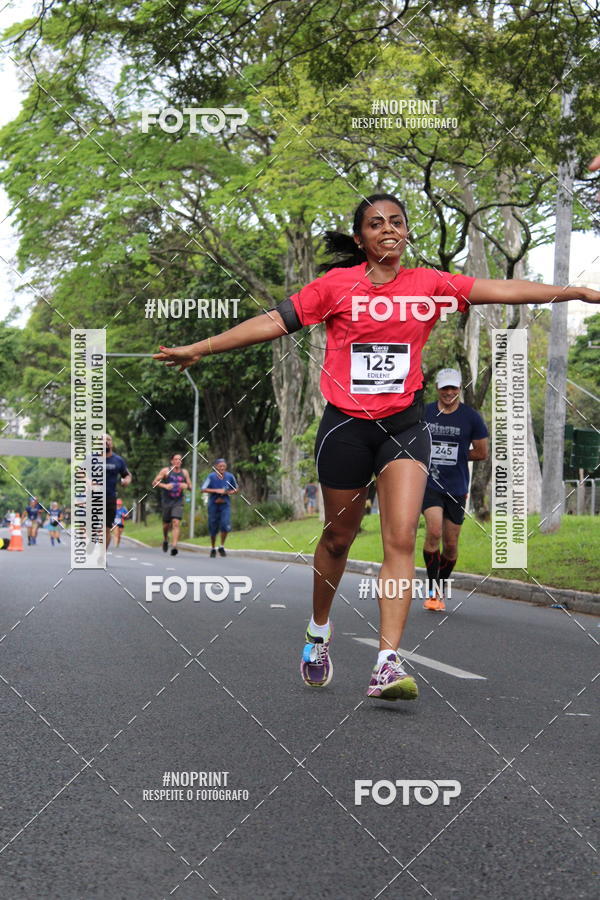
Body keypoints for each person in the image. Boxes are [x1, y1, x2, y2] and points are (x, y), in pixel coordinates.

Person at [154, 193, 600, 702]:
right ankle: (318, 632)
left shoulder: (430, 285)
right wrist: (199, 347)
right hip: (345, 427)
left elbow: (500, 288)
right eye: (375, 224)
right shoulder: (335, 286)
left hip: (405, 426)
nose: (388, 229)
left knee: (401, 539)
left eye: (396, 222)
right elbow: (273, 323)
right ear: (361, 238)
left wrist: (575, 293)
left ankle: (387, 661)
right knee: (339, 539)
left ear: (406, 232)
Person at [422, 368, 488, 612]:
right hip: (430, 484)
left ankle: (440, 586)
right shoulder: (425, 412)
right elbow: (410, 439)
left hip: (457, 487)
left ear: (460, 389)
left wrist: (460, 455)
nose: (449, 392)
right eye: (444, 388)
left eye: (453, 388)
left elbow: (481, 452)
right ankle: (432, 590)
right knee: (434, 531)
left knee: (450, 544)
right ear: (437, 389)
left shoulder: (471, 417)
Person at [152, 453, 192, 556]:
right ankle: (166, 539)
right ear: (172, 461)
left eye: (180, 460)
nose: (178, 461)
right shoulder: (166, 471)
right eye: (176, 459)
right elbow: (154, 482)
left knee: (176, 522)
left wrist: (186, 486)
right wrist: (165, 486)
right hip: (167, 501)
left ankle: (174, 546)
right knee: (166, 525)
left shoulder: (184, 472)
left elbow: (190, 486)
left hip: (178, 501)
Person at [201, 459, 238, 557]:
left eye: (224, 466)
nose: (222, 468)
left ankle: (221, 546)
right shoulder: (211, 477)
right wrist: (217, 491)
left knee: (225, 524)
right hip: (213, 505)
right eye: (220, 466)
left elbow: (236, 489)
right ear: (216, 467)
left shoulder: (230, 476)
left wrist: (227, 492)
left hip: (225, 504)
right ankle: (213, 548)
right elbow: (203, 489)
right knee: (213, 526)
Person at [104, 434, 132, 550]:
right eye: (103, 440)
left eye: (108, 439)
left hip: (110, 498)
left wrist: (126, 481)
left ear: (112, 443)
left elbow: (127, 475)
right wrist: (88, 481)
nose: (106, 442)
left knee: (106, 528)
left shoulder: (118, 460)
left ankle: (102, 555)